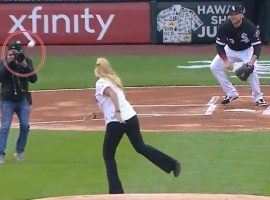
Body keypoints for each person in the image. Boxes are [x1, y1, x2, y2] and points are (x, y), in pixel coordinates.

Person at [94, 57, 181, 194]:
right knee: (140, 146)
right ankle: (172, 164)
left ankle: (116, 192)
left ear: (97, 70)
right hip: (131, 118)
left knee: (108, 155)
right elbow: (107, 105)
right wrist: (94, 115)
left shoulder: (101, 83)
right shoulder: (114, 81)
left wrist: (117, 112)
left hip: (117, 122)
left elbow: (112, 96)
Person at [210, 5, 267, 107]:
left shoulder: (249, 27)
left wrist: (251, 62)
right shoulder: (224, 27)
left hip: (247, 50)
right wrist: (226, 61)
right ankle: (231, 93)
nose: (233, 16)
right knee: (214, 67)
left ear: (242, 15)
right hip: (230, 50)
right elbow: (219, 46)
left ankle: (258, 97)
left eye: (236, 14)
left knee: (252, 70)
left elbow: (257, 47)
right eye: (231, 14)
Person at [0, 40, 37, 165]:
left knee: (25, 126)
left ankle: (19, 151)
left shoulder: (25, 61)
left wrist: (25, 65)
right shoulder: (3, 62)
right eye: (12, 53)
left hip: (22, 99)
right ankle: (1, 154)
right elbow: (1, 77)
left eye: (17, 52)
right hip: (7, 100)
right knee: (5, 127)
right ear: (8, 52)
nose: (15, 55)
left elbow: (34, 79)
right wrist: (9, 64)